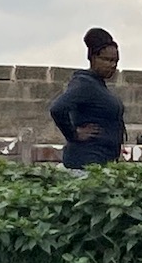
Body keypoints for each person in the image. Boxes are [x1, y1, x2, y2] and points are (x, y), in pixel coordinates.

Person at [49, 28, 126, 170]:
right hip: (85, 165)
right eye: (107, 60)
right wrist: (73, 134)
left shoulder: (98, 85)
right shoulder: (85, 83)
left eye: (115, 61)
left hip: (100, 163)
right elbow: (57, 108)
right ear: (93, 58)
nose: (112, 65)